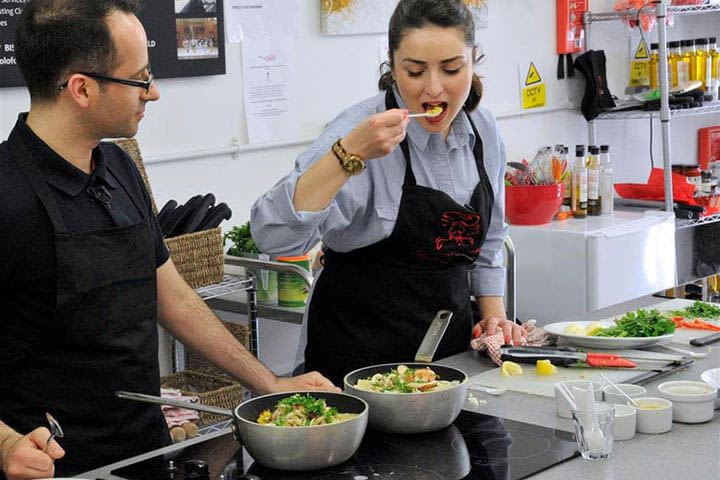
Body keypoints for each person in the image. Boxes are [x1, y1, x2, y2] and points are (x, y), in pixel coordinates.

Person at [0, 1, 336, 478]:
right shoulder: (7, 195)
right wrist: (5, 444)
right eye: (140, 79)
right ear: (82, 89)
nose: (153, 92)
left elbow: (173, 296)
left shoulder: (118, 168)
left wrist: (270, 383)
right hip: (53, 466)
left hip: (144, 453)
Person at [251, 0, 527, 386]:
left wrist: (492, 314)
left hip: (450, 366)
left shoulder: (482, 130)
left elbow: (492, 236)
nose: (433, 88)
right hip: (353, 367)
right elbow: (273, 237)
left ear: (473, 62)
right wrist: (347, 156)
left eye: (451, 69)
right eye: (415, 71)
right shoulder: (358, 133)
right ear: (392, 66)